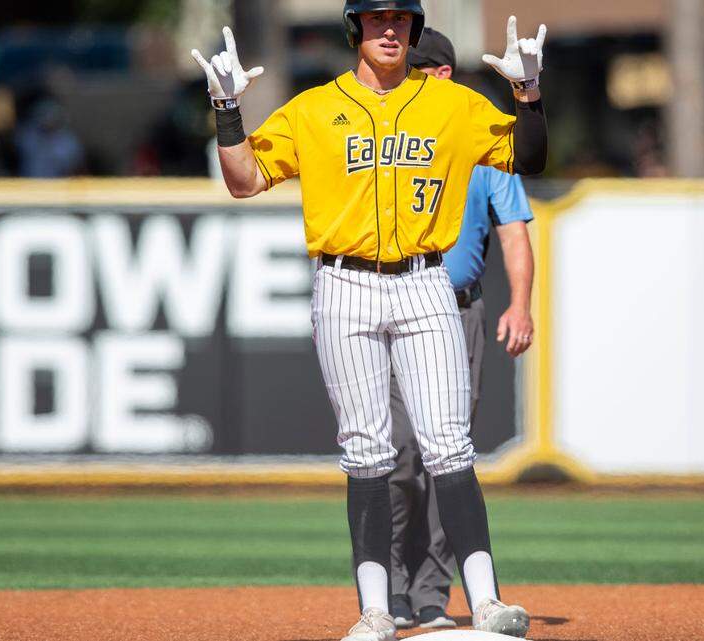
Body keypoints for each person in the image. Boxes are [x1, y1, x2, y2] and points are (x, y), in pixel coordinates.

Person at [190, 3, 547, 641]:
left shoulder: (452, 105)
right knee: (367, 453)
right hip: (344, 284)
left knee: (449, 446)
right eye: (378, 19)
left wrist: (528, 93)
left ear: (414, 29)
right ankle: (376, 612)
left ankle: (487, 603)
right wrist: (226, 113)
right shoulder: (314, 108)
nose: (390, 30)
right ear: (356, 28)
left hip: (425, 280)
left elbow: (532, 156)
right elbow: (244, 181)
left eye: (402, 20)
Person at [383, 27, 535, 631]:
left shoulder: (476, 133)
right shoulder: (390, 129)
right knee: (395, 455)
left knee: (450, 457)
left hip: (457, 308)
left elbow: (514, 230)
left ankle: (431, 591)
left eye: (417, 69)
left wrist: (519, 303)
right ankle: (389, 582)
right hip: (391, 301)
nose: (405, 78)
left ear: (441, 74)